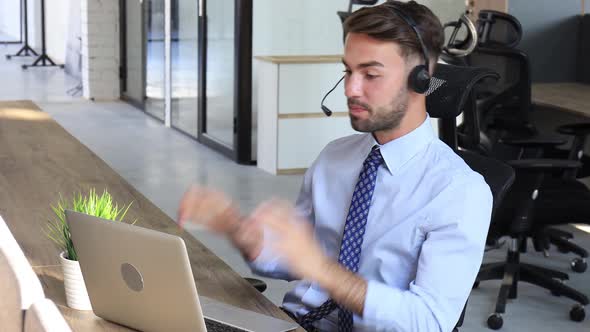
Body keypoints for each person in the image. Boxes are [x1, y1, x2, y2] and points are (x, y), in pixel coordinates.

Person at [178, 1, 493, 331]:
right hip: (294, 323)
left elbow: (428, 321)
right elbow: (292, 259)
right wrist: (241, 230)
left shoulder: (460, 192)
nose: (350, 89)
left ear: (420, 80)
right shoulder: (334, 158)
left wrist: (322, 269)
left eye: (370, 74)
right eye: (348, 71)